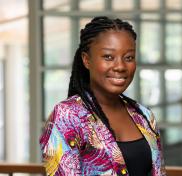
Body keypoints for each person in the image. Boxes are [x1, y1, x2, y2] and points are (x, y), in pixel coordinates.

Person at [39, 16, 166, 176]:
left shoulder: (145, 116)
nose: (120, 66)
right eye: (108, 57)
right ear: (86, 60)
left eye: (128, 58)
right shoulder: (67, 117)